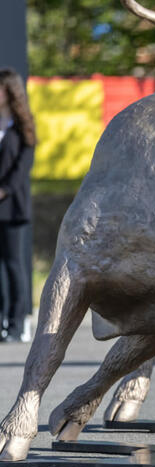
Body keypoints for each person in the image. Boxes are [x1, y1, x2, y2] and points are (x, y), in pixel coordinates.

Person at [0, 67, 36, 343]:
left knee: (13, 264)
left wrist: (3, 190)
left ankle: (17, 322)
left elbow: (22, 167)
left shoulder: (23, 126)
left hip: (12, 207)